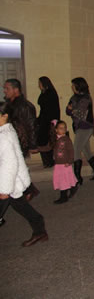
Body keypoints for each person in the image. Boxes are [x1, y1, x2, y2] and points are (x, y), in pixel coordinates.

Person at [0, 102, 48, 246]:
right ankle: (40, 230)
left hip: (8, 182)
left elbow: (10, 163)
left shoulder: (5, 136)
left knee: (17, 205)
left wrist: (4, 190)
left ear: (4, 116)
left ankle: (40, 230)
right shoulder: (6, 130)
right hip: (12, 181)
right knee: (21, 206)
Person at [66, 77, 94, 185]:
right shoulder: (73, 97)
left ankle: (77, 177)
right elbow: (68, 110)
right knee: (86, 150)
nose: (72, 87)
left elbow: (81, 114)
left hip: (86, 127)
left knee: (76, 149)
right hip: (78, 126)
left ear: (78, 86)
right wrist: (71, 110)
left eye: (73, 85)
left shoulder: (86, 98)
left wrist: (72, 110)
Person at [3, 79, 38, 156]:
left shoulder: (25, 106)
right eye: (4, 88)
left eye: (7, 88)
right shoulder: (7, 105)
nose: (4, 91)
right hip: (8, 140)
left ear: (16, 90)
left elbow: (31, 125)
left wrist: (33, 145)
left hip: (19, 142)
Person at [52, 120, 79, 204]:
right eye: (60, 128)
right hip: (58, 163)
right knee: (64, 178)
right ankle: (73, 187)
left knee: (63, 179)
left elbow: (71, 151)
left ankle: (63, 196)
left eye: (64, 128)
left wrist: (70, 160)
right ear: (56, 130)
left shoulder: (66, 140)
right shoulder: (56, 139)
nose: (63, 130)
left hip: (65, 163)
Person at [37, 77, 60, 168]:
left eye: (39, 83)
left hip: (49, 121)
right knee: (42, 141)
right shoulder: (44, 93)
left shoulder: (50, 93)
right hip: (43, 119)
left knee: (48, 141)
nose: (38, 85)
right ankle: (46, 162)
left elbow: (53, 109)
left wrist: (54, 122)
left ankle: (49, 161)